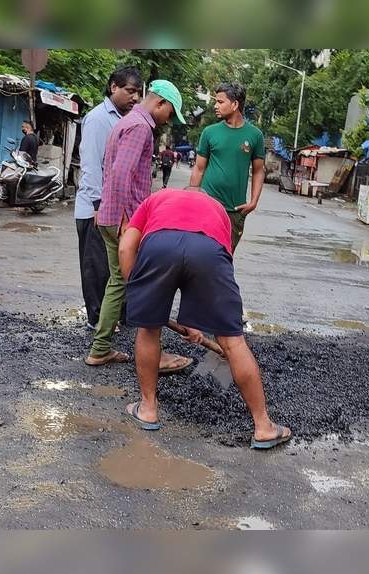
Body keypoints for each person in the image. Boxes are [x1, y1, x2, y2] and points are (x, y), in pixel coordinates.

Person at [118, 188, 292, 449]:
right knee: (233, 342)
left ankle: (148, 409)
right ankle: (264, 426)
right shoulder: (218, 210)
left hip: (159, 245)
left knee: (149, 329)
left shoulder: (155, 199)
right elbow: (216, 263)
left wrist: (138, 289)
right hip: (209, 252)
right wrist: (197, 319)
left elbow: (125, 246)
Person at [86, 79, 191, 374]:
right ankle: (145, 352)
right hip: (123, 220)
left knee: (118, 282)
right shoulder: (140, 127)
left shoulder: (127, 122)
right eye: (170, 112)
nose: (168, 119)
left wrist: (107, 211)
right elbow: (120, 174)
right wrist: (124, 222)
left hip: (112, 215)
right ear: (160, 103)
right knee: (137, 282)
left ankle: (102, 348)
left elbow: (111, 169)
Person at [75, 65, 142, 332]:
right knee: (96, 268)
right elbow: (92, 165)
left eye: (138, 92)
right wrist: (97, 205)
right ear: (114, 87)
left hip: (114, 211)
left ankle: (111, 318)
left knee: (115, 267)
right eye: (130, 91)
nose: (134, 97)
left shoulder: (126, 118)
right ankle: (95, 320)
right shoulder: (98, 119)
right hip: (95, 208)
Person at [188, 82, 266, 252]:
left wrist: (253, 202)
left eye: (220, 102)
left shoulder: (255, 135)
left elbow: (259, 170)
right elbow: (199, 168)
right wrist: (192, 198)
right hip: (208, 205)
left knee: (225, 257)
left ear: (235, 104)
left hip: (235, 211)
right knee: (201, 253)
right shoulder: (210, 132)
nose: (216, 106)